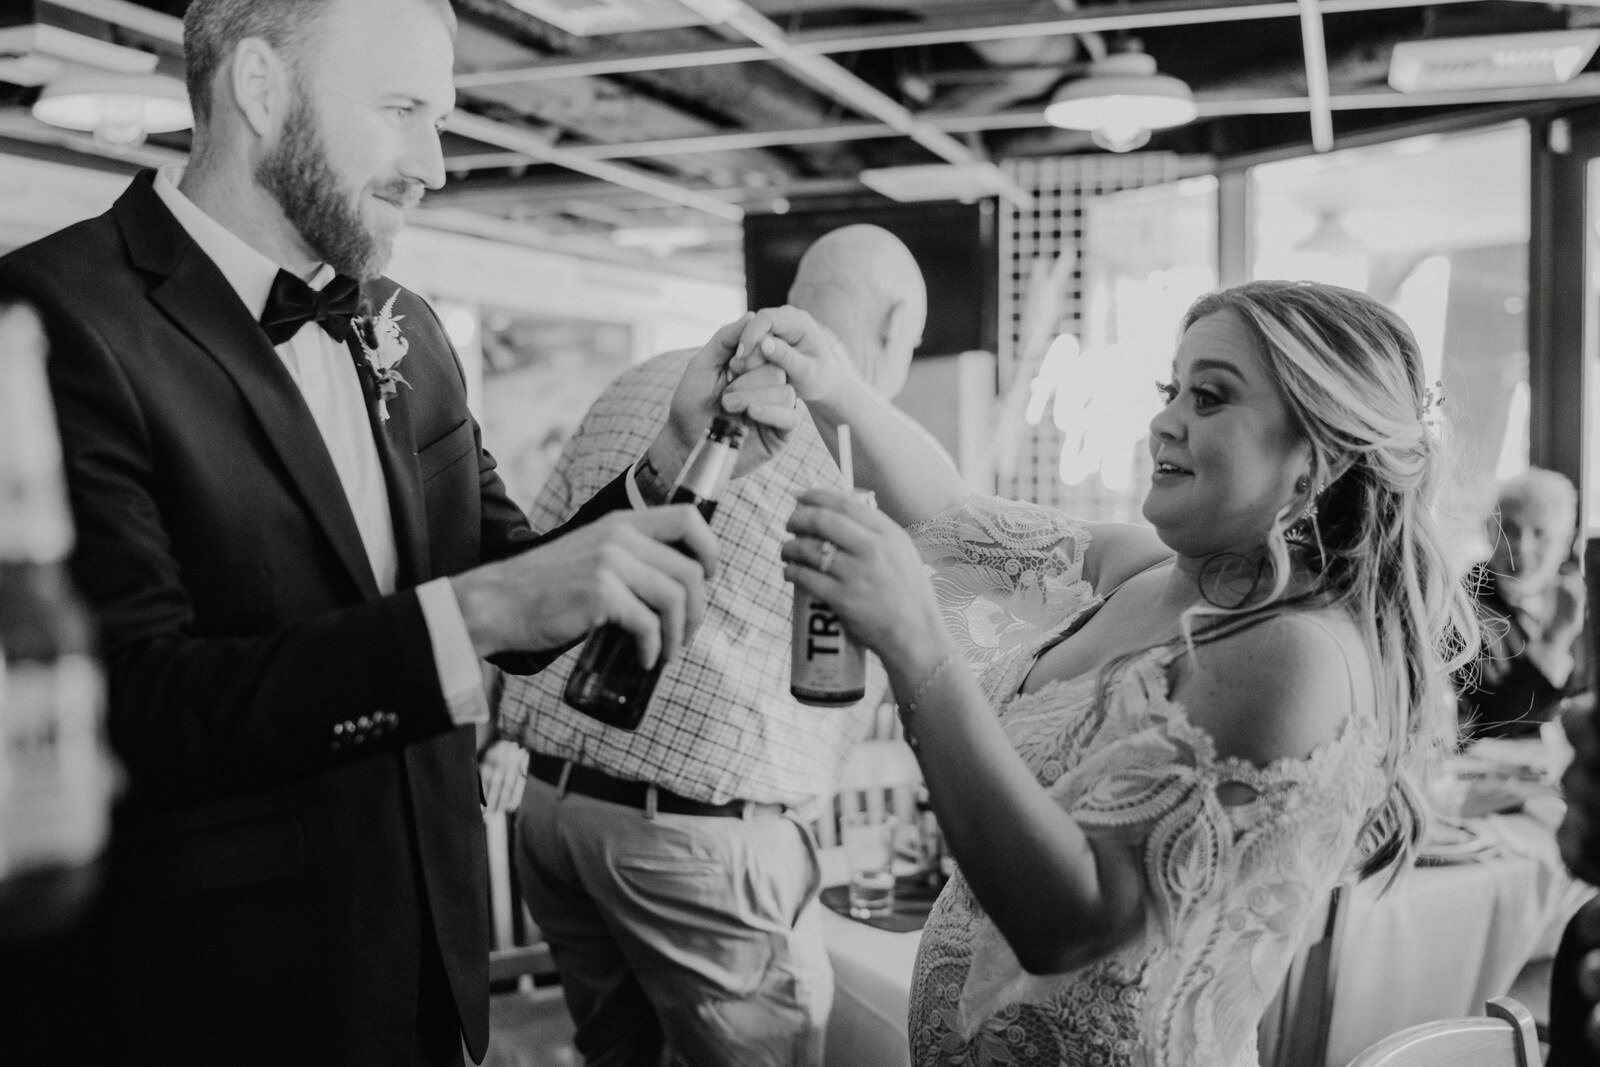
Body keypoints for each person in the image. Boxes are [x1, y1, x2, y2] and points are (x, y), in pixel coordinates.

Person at [0, 0, 799, 1062]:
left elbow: (515, 593)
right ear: (259, 87)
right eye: (403, 110)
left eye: (442, 117)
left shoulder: (407, 329)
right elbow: (128, 710)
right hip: (210, 996)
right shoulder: (54, 317)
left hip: (429, 962)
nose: (434, 161)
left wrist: (670, 454)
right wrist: (470, 612)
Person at [748, 280, 1475, 1066]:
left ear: (1311, 465)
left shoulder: (1295, 656)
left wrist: (915, 646)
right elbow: (949, 516)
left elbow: (1075, 923)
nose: (1165, 418)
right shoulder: (1147, 570)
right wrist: (831, 382)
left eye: (1210, 396)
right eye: (1174, 388)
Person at [485, 223, 932, 1066]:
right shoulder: (853, 449)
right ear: (893, 320)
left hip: (551, 816)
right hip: (694, 843)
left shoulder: (643, 383)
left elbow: (531, 560)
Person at [1457, 467, 1587, 740]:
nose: (1521, 547)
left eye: (1539, 533)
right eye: (1510, 530)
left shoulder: (1579, 597)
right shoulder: (1461, 606)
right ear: (1489, 532)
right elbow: (1485, 723)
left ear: (1565, 542)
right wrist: (1552, 643)